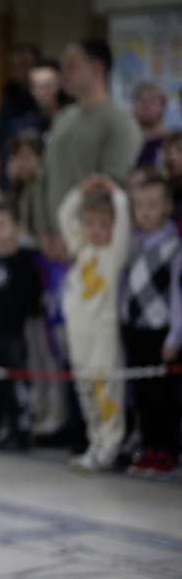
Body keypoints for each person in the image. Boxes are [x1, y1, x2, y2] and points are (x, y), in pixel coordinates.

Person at [33, 39, 143, 263]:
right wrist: (44, 229)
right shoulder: (62, 118)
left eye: (71, 67)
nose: (63, 74)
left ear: (96, 69)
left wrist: (75, 234)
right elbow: (44, 177)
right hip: (54, 242)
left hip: (92, 243)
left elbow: (110, 185)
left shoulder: (120, 122)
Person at [57, 175, 130, 471]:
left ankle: (110, 444)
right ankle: (95, 442)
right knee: (85, 386)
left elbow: (124, 224)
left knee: (105, 386)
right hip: (78, 328)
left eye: (103, 224)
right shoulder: (80, 248)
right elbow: (65, 216)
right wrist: (81, 190)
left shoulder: (113, 254)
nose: (95, 230)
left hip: (103, 328)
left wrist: (117, 195)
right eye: (89, 223)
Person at [120, 174, 182, 476]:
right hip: (135, 330)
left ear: (168, 207)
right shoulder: (133, 243)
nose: (145, 212)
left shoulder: (174, 247)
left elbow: (177, 296)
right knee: (143, 395)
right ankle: (148, 447)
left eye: (153, 205)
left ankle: (167, 450)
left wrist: (175, 336)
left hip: (160, 333)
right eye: (139, 205)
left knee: (163, 396)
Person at [0, 200, 42, 449]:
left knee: (16, 385)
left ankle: (19, 429)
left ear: (16, 227)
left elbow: (31, 302)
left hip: (14, 336)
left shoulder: (25, 263)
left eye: (1, 225)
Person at [0, 43, 42, 184]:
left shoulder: (46, 107)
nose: (22, 70)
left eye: (26, 64)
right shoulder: (5, 107)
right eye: (17, 65)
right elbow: (3, 150)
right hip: (13, 180)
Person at [133, 82, 169, 167]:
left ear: (162, 107)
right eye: (142, 101)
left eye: (152, 102)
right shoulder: (126, 138)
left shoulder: (168, 141)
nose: (147, 106)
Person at [28, 60, 67, 135]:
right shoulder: (22, 127)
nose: (44, 92)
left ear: (59, 85)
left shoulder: (72, 121)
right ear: (31, 90)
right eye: (39, 87)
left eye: (48, 86)